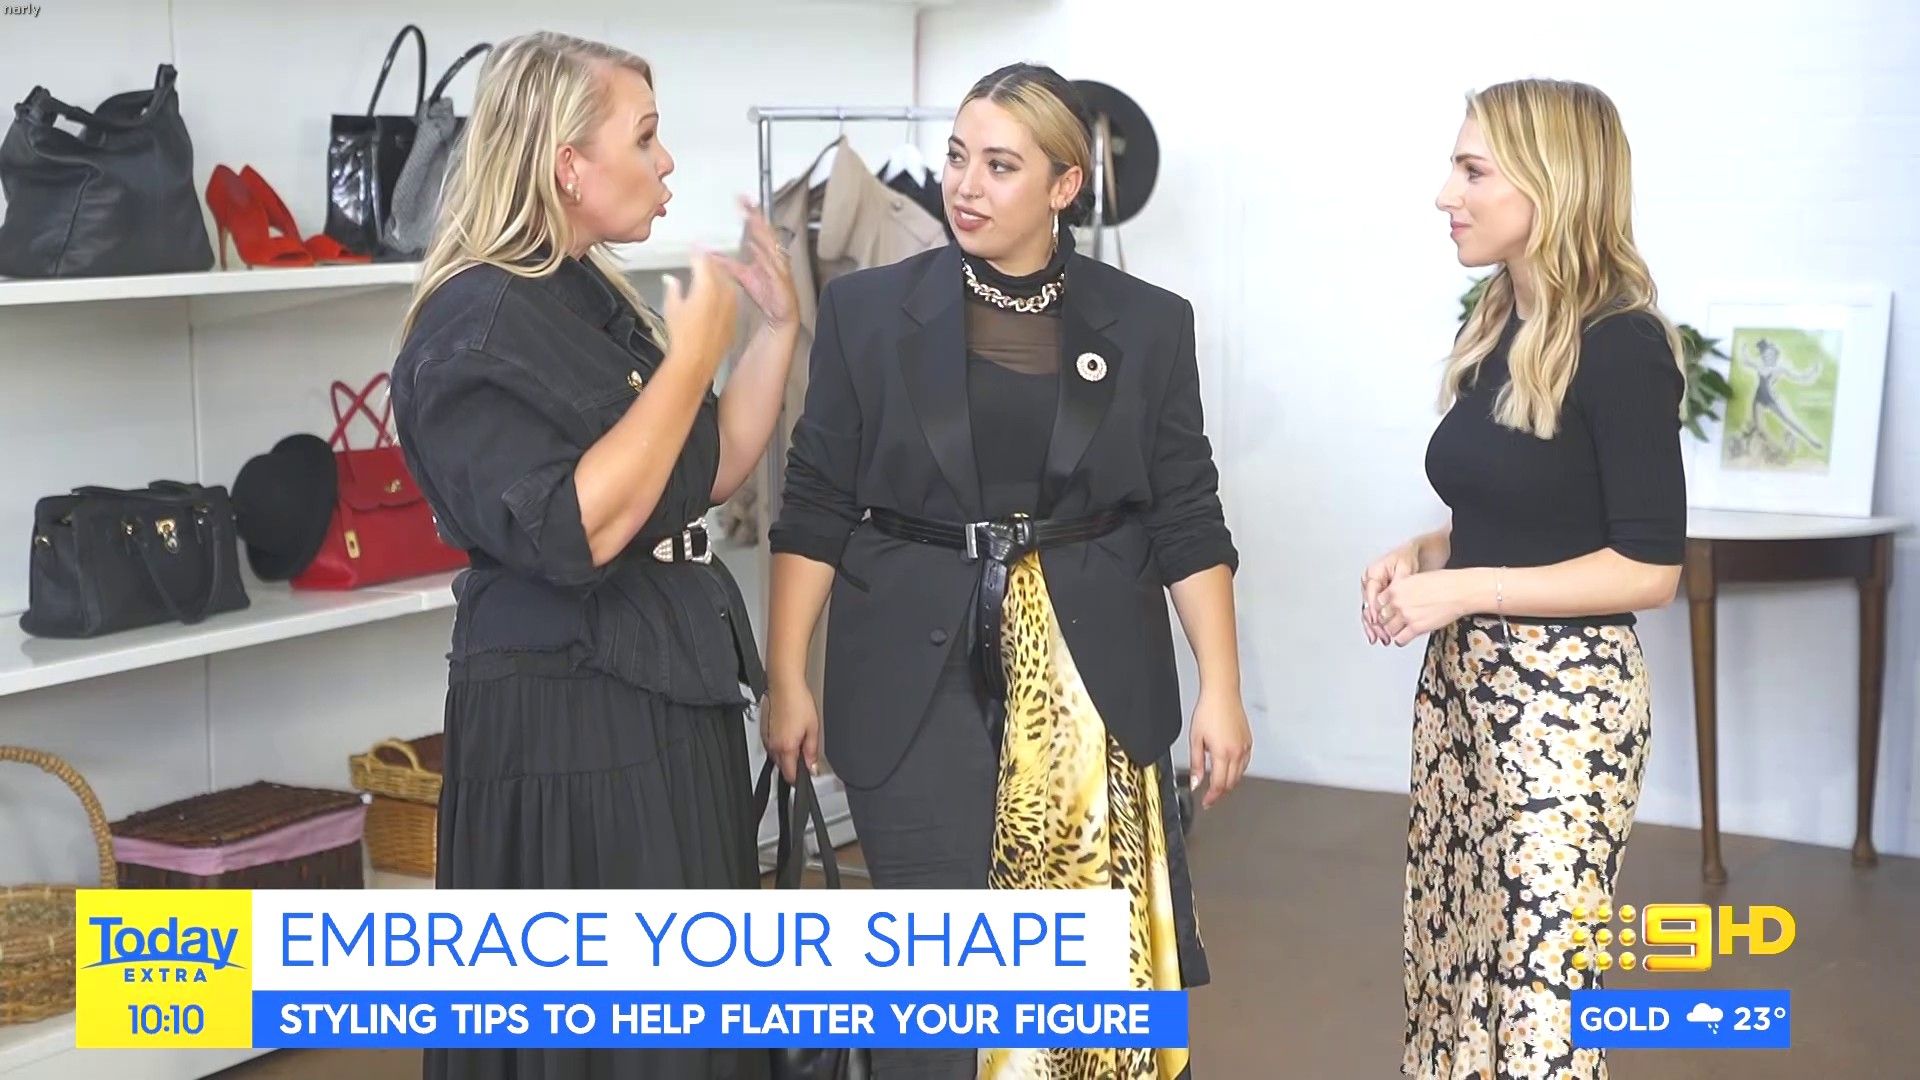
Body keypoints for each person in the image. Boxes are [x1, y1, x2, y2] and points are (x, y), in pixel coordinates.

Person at [763, 62, 1251, 1080]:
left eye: (999, 165)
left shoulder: (1148, 323)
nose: (964, 185)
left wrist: (1222, 687)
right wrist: (787, 674)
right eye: (956, 157)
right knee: (935, 985)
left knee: (1082, 992)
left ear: (1065, 185)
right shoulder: (866, 313)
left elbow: (1186, 513)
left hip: (1090, 677)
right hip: (908, 667)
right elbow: (814, 503)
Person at [389, 31, 797, 1080]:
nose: (667, 162)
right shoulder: (473, 325)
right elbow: (577, 531)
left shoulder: (585, 293)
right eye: (646, 137)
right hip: (571, 726)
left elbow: (704, 468)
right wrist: (689, 362)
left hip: (660, 695)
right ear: (568, 163)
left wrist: (774, 334)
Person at [1366, 78, 1686, 1079]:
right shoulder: (1504, 320)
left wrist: (1462, 590)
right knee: (1455, 973)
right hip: (1464, 699)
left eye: (1472, 171)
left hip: (1563, 715)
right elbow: (1524, 511)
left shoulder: (1624, 345)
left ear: (1551, 183)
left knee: (1541, 998)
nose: (1445, 195)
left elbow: (1649, 568)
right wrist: (1426, 554)